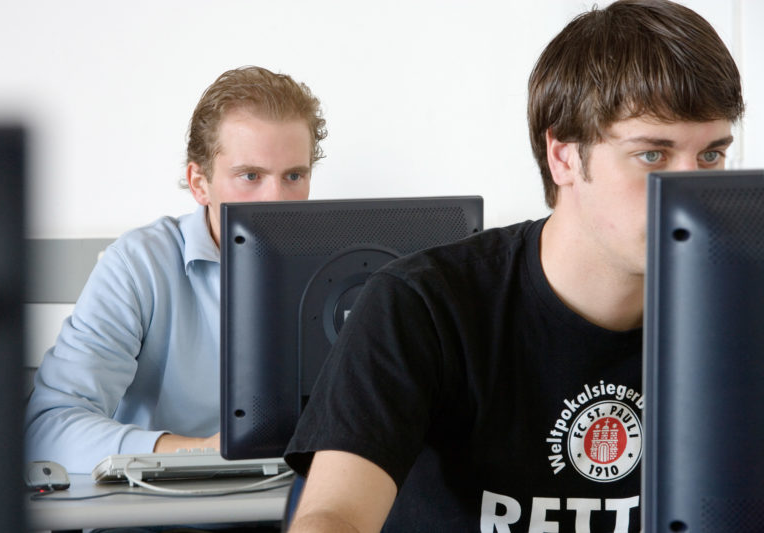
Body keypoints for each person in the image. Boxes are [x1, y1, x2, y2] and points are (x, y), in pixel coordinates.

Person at [284, 1, 744, 531]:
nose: (690, 193)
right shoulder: (420, 306)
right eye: (652, 155)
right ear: (564, 156)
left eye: (710, 155)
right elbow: (333, 515)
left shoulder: (740, 311)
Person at [25, 66, 327, 474]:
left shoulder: (342, 267)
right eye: (250, 176)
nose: (275, 200)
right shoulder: (139, 265)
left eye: (294, 176)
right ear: (199, 183)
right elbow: (48, 428)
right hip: (161, 513)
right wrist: (199, 452)